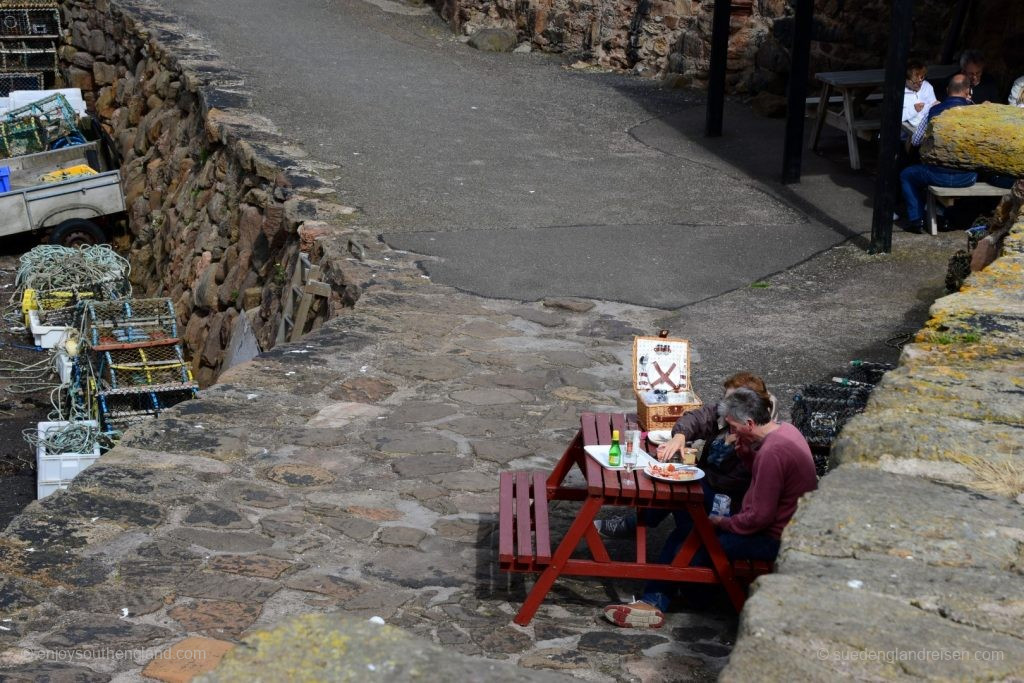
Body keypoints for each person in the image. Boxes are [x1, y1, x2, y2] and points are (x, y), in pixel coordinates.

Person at [603, 388, 818, 628]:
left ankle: (667, 600)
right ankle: (658, 598)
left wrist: (723, 523)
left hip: (773, 540)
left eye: (734, 427)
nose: (731, 433)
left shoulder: (772, 452)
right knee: (691, 528)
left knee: (694, 538)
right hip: (786, 530)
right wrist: (746, 454)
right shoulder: (786, 431)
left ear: (748, 423)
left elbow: (760, 517)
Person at [594, 372, 777, 539]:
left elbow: (734, 482)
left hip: (727, 502)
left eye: (730, 402)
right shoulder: (727, 416)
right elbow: (696, 417)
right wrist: (680, 436)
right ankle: (644, 524)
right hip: (708, 482)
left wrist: (693, 473)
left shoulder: (757, 439)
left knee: (674, 487)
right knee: (670, 478)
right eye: (724, 400)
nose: (724, 406)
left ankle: (641, 526)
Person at [898, 74, 977, 234]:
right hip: (967, 177)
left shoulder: (934, 110)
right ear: (968, 91)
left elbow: (916, 140)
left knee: (907, 174)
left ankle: (916, 220)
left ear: (948, 90)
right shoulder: (976, 113)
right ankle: (958, 218)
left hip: (937, 175)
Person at [902, 60, 937, 130]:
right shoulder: (900, 93)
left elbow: (932, 108)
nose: (918, 85)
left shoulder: (927, 87)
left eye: (921, 80)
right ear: (906, 80)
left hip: (928, 125)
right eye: (915, 82)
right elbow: (897, 116)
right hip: (909, 128)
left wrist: (936, 106)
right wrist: (914, 110)